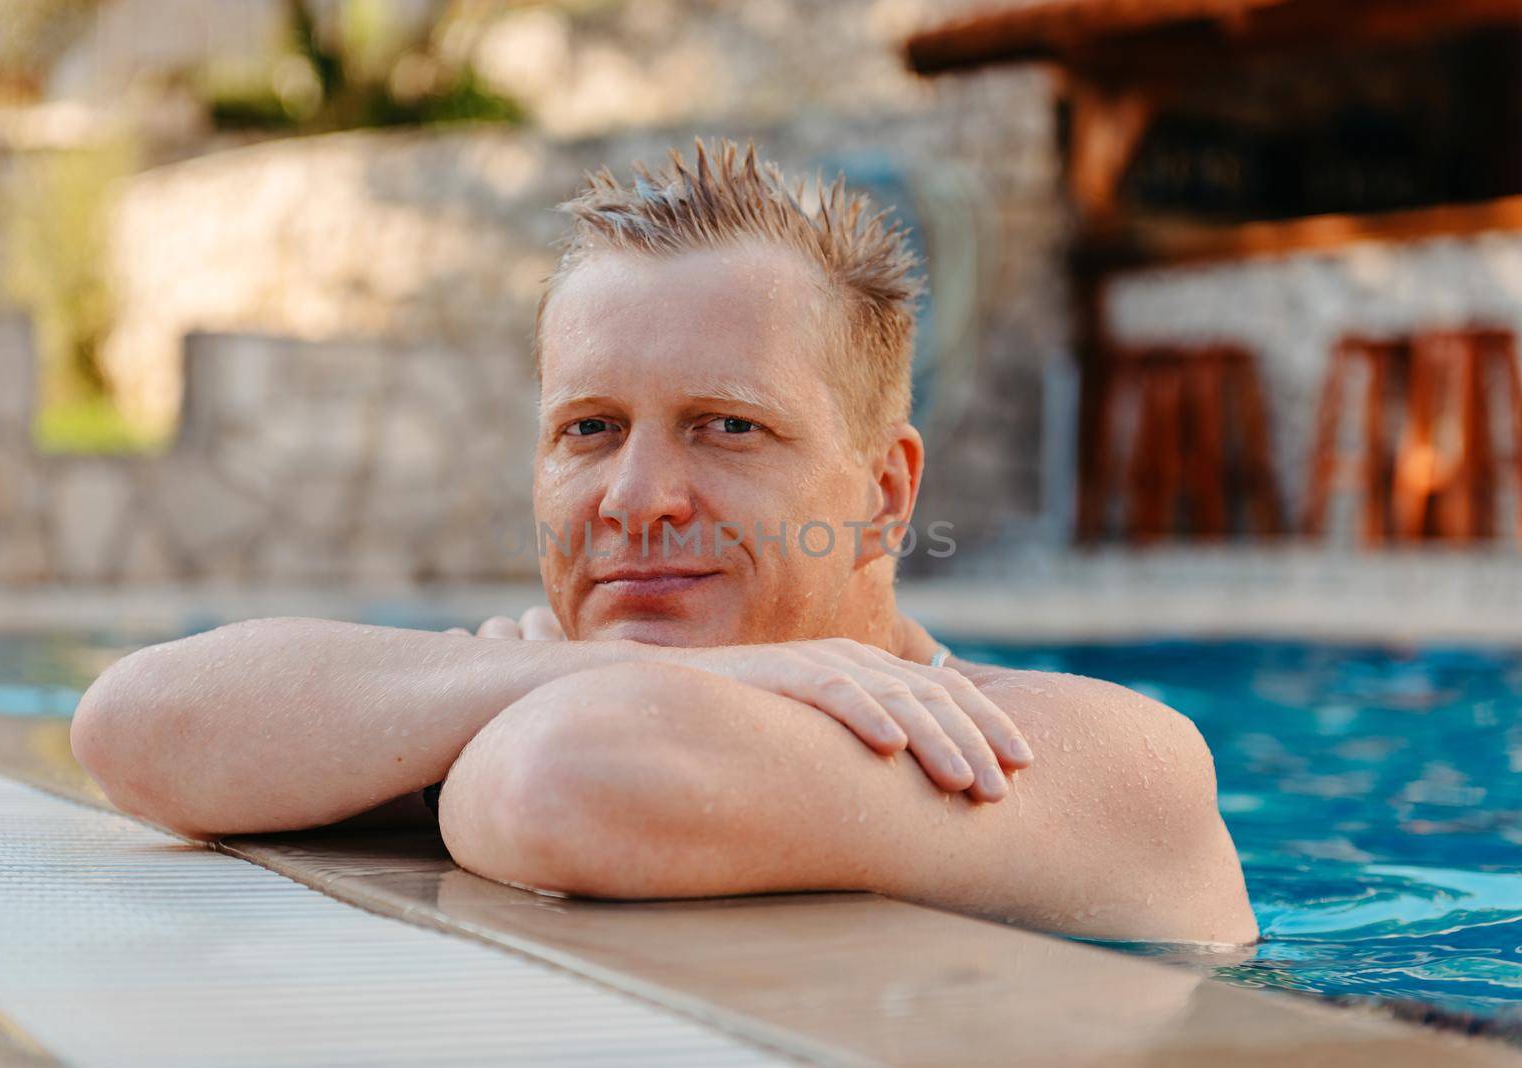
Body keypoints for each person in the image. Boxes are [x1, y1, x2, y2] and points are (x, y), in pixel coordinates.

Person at [72, 139, 1258, 945]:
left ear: (887, 494)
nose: (638, 497)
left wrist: (499, 708)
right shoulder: (545, 677)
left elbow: (571, 783)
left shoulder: (1100, 757)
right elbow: (135, 726)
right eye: (588, 428)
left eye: (727, 427)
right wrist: (573, 673)